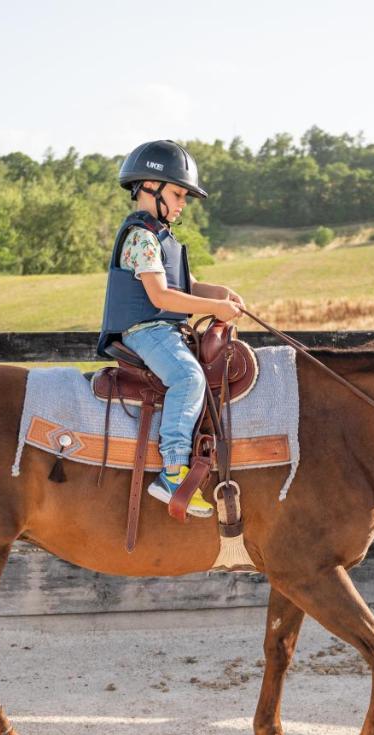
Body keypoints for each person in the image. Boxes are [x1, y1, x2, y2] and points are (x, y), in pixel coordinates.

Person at [97, 140, 245, 517]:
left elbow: (188, 286)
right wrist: (215, 308)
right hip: (145, 329)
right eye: (178, 194)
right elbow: (162, 297)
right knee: (188, 378)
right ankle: (173, 472)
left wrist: (223, 294)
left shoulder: (163, 239)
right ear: (149, 187)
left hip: (162, 329)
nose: (181, 204)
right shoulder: (142, 238)